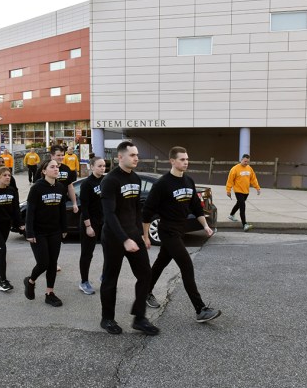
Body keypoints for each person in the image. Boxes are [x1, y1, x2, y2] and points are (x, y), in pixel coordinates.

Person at [142, 146, 221, 323]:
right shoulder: (162, 184)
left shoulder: (188, 181)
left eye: (187, 159)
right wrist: (146, 236)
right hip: (167, 231)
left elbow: (195, 206)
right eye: (182, 159)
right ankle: (200, 309)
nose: (186, 162)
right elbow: (147, 211)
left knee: (160, 263)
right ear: (172, 161)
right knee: (187, 266)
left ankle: (145, 292)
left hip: (180, 229)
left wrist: (206, 226)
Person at [99, 141, 159, 336]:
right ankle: (107, 318)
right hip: (114, 237)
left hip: (133, 235)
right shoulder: (110, 181)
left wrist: (143, 234)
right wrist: (124, 239)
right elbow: (109, 214)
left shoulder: (135, 178)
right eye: (132, 155)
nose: (136, 158)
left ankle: (139, 318)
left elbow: (136, 209)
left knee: (145, 274)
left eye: (137, 155)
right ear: (120, 157)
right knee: (110, 278)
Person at [23, 159, 67, 307]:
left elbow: (62, 210)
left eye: (57, 167)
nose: (56, 169)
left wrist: (64, 228)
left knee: (53, 264)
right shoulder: (37, 188)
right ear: (43, 171)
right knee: (43, 263)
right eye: (52, 167)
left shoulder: (61, 187)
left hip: (54, 231)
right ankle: (30, 281)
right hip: (38, 232)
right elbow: (30, 212)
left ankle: (50, 293)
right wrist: (29, 232)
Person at [78, 156, 106, 295]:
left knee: (110, 251)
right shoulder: (87, 184)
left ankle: (104, 276)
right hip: (90, 222)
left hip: (104, 221)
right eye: (99, 166)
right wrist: (88, 226)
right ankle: (84, 282)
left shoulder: (106, 181)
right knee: (87, 253)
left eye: (104, 166)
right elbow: (84, 207)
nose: (102, 168)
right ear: (92, 167)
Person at [36, 145, 78, 214]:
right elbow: (36, 187)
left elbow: (70, 187)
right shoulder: (43, 168)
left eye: (62, 155)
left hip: (62, 203)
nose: (61, 157)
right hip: (46, 204)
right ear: (52, 156)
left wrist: (74, 203)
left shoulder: (66, 169)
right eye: (58, 155)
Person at [226, 154, 261, 232]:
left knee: (239, 203)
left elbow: (253, 179)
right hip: (238, 190)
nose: (246, 163)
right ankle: (245, 224)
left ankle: (231, 215)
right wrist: (228, 190)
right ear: (241, 160)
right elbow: (230, 180)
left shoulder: (249, 168)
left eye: (247, 161)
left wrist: (257, 188)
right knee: (242, 206)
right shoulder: (234, 169)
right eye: (245, 161)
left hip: (246, 191)